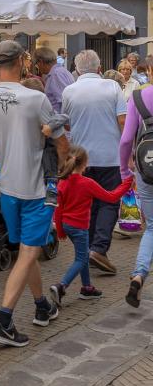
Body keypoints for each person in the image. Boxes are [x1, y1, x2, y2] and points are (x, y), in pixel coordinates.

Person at [0, 40, 68, 348]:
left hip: (8, 188)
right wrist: (66, 164)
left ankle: (42, 305)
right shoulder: (35, 98)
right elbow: (60, 142)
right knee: (30, 253)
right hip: (36, 188)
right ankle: (3, 320)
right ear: (21, 61)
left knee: (25, 253)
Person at [61, 50, 127, 275]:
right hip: (110, 156)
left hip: (81, 159)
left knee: (87, 204)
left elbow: (66, 124)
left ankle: (89, 250)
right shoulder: (112, 87)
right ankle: (98, 249)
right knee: (109, 203)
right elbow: (122, 121)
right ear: (99, 68)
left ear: (77, 70)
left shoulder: (69, 91)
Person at [50, 145, 132, 308]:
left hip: (67, 225)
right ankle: (61, 286)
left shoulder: (62, 182)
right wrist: (127, 183)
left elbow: (57, 209)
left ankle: (87, 288)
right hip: (80, 228)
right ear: (85, 164)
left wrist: (60, 229)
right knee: (81, 259)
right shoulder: (88, 183)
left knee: (84, 254)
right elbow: (111, 197)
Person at [119, 57, 153, 307]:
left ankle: (140, 274)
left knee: (151, 227)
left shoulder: (139, 97)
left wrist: (124, 170)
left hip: (146, 167)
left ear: (149, 70)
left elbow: (125, 140)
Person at [34, 46, 75, 114]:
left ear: (41, 62)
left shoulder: (56, 74)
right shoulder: (60, 71)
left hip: (61, 122)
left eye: (36, 64)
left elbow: (64, 102)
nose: (37, 67)